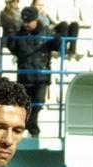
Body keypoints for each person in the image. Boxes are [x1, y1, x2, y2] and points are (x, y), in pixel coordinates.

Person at [6, 6, 60, 137]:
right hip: (24, 77)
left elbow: (57, 46)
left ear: (36, 20)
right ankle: (32, 129)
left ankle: (30, 127)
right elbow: (13, 48)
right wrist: (10, 39)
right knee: (24, 105)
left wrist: (58, 38)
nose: (26, 24)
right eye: (24, 21)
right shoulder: (19, 35)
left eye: (28, 21)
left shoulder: (47, 33)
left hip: (41, 77)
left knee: (38, 103)